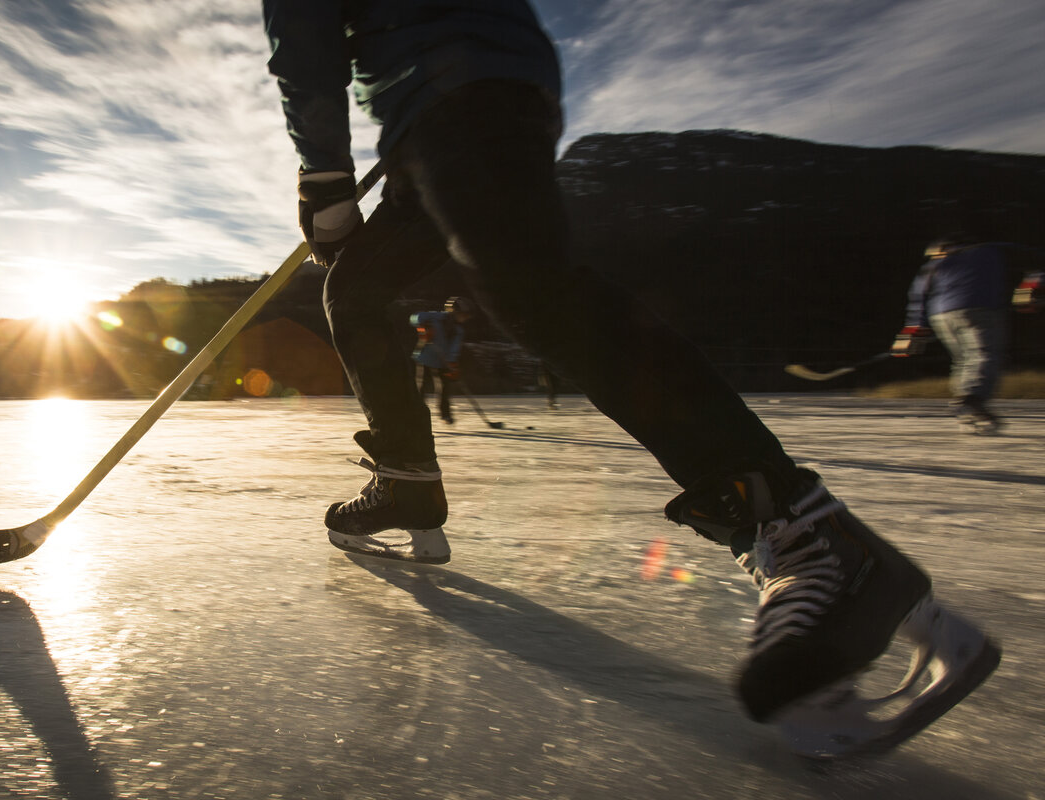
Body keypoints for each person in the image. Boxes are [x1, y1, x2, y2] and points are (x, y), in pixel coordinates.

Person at [262, 0, 999, 755]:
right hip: (450, 95)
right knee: (355, 288)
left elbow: (302, 29)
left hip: (459, 83)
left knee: (526, 287)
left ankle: (803, 530)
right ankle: (407, 477)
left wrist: (323, 173)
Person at [892, 234, 1040, 433]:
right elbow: (1037, 258)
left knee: (963, 359)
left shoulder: (936, 264)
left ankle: (966, 404)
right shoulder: (992, 248)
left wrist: (913, 329)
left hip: (941, 315)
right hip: (980, 309)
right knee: (984, 355)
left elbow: (919, 296)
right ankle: (973, 401)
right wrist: (1031, 288)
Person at [410, 296, 474, 424]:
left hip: (442, 361)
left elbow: (454, 348)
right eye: (463, 314)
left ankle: (445, 414)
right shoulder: (435, 317)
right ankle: (417, 412)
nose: (465, 318)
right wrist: (424, 327)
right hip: (425, 357)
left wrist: (452, 363)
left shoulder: (458, 330)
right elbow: (414, 318)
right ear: (453, 311)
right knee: (422, 386)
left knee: (444, 387)